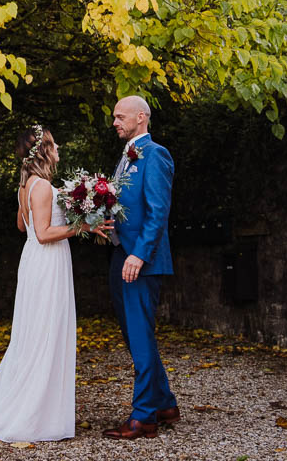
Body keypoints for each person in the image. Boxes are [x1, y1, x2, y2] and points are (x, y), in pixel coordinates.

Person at [0, 124, 111, 443]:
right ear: (44, 151)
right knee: (44, 333)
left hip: (34, 259)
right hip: (47, 262)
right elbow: (45, 232)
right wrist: (83, 226)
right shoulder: (40, 187)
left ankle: (40, 408)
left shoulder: (27, 186)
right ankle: (34, 414)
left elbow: (22, 226)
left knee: (35, 331)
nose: (59, 147)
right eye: (54, 144)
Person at [103, 95, 180, 440]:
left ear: (140, 117)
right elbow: (128, 206)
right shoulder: (126, 156)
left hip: (140, 262)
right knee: (134, 336)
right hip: (121, 255)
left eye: (120, 117)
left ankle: (144, 416)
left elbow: (158, 211)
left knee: (140, 334)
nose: (115, 122)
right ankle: (164, 403)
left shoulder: (156, 154)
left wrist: (139, 254)